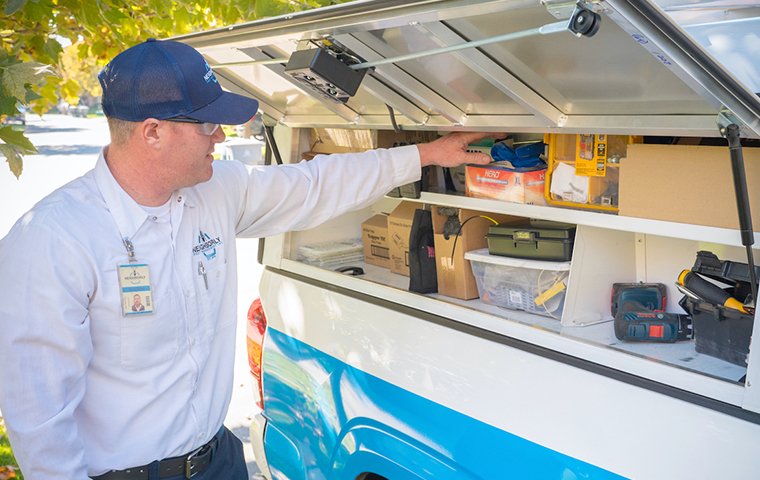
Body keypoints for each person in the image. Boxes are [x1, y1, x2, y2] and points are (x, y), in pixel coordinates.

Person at [0, 38, 493, 479]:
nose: (221, 139)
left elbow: (314, 185)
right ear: (152, 132)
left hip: (219, 462)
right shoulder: (54, 240)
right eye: (208, 125)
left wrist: (425, 157)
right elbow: (39, 415)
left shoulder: (214, 191)